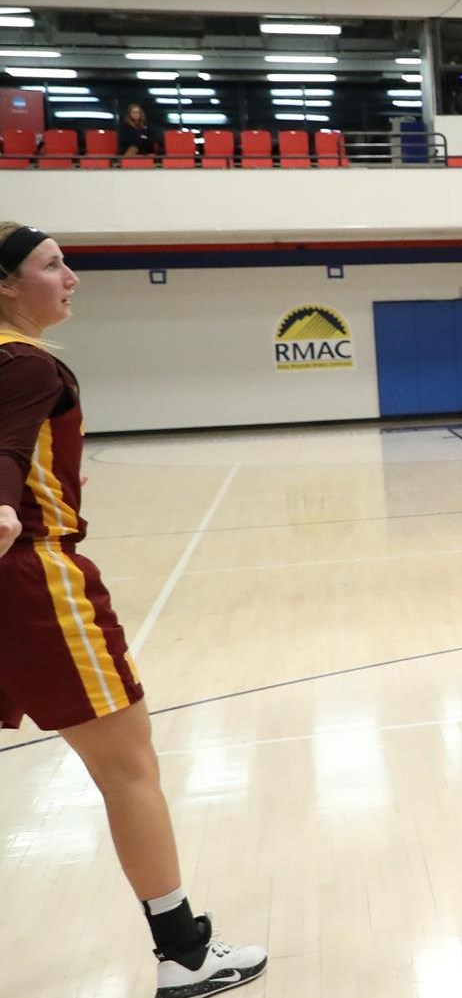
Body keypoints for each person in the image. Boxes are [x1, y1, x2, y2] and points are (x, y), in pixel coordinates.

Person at [0, 223, 270, 996]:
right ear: (8, 284)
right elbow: (9, 457)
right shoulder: (26, 363)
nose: (71, 276)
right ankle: (183, 952)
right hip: (31, 579)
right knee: (129, 764)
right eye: (52, 265)